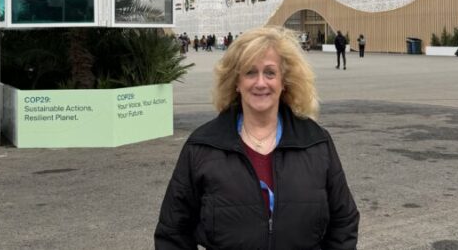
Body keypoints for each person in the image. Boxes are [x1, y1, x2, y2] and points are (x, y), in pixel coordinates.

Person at [154, 27, 360, 249]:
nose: (261, 83)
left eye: (270, 73)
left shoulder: (316, 142)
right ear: (236, 82)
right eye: (250, 72)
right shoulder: (203, 146)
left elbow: (344, 221)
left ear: (284, 82)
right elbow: (173, 232)